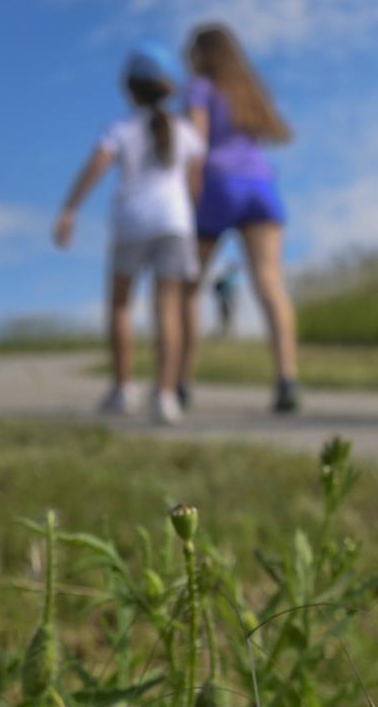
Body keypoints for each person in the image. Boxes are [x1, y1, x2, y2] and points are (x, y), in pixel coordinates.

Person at [53, 42, 204, 424]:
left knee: (121, 305)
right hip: (174, 222)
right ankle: (165, 396)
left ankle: (123, 389)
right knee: (167, 307)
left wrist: (70, 209)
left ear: (130, 89)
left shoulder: (120, 129)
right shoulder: (185, 131)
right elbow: (195, 184)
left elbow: (97, 166)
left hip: (132, 222)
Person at [178, 23, 299, 412]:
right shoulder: (248, 90)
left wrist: (189, 193)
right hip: (261, 186)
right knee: (270, 282)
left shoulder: (200, 88)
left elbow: (196, 144)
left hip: (219, 184)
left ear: (202, 53)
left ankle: (181, 382)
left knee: (188, 287)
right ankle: (287, 378)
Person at [212, 262, 239, 337]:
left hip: (224, 300)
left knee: (224, 317)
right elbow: (231, 291)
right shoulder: (229, 278)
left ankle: (224, 333)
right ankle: (224, 333)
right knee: (226, 317)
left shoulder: (226, 278)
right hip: (226, 301)